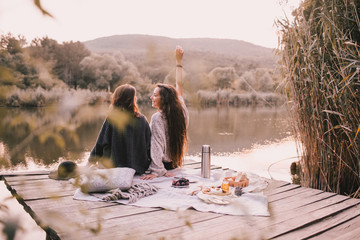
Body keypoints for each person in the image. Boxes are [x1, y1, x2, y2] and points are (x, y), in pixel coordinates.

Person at [141, 46, 189, 180]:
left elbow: (156, 145)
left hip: (163, 165)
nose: (152, 97)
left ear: (164, 99)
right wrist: (179, 63)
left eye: (155, 95)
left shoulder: (158, 117)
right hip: (175, 163)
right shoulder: (182, 111)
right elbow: (179, 85)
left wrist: (158, 171)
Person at [88, 84, 151, 175]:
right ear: (131, 99)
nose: (136, 98)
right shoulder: (142, 119)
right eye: (135, 96)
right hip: (137, 169)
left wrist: (89, 163)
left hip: (114, 168)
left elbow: (100, 144)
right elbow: (149, 146)